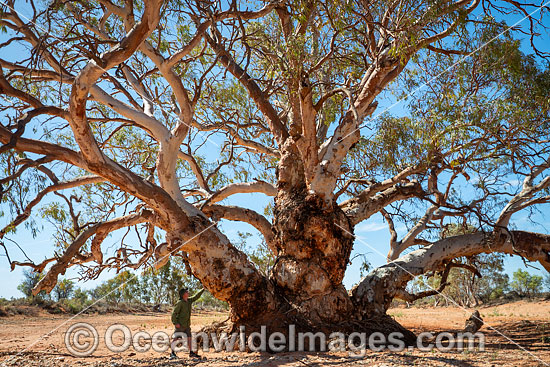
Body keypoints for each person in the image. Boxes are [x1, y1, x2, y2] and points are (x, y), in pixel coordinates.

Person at [170, 287, 205, 360]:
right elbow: (173, 314)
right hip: (180, 325)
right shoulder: (180, 303)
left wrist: (203, 289)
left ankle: (191, 353)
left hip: (187, 325)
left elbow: (196, 297)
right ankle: (172, 353)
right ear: (183, 294)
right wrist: (175, 323)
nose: (188, 293)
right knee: (176, 338)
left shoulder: (189, 301)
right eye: (186, 292)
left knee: (189, 338)